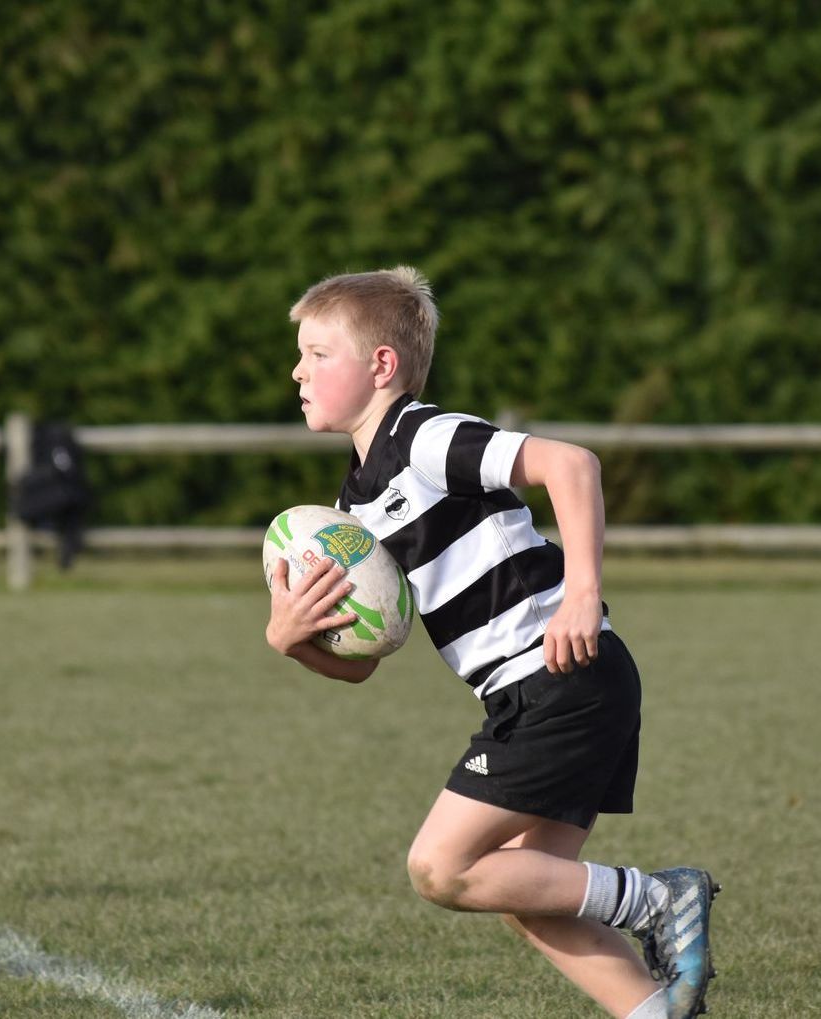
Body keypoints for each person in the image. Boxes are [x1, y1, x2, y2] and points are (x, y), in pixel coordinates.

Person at [264, 267, 716, 1019]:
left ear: (382, 365)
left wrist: (579, 594)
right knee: (526, 889)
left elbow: (572, 464)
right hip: (552, 686)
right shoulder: (357, 499)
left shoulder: (423, 436)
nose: (296, 371)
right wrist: (292, 638)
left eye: (316, 353)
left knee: (441, 867)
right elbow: (368, 662)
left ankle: (662, 896)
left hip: (558, 672)